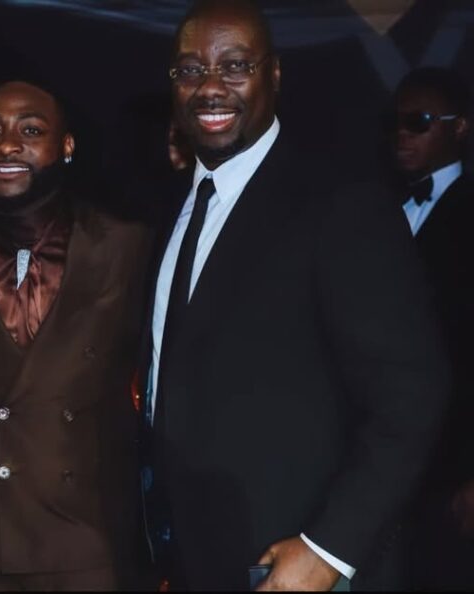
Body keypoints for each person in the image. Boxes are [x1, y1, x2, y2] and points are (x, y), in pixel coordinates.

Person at [138, 1, 451, 590]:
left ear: (274, 74)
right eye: (190, 70)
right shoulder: (171, 205)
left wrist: (329, 549)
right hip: (189, 557)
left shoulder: (342, 200)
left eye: (235, 66)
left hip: (295, 562)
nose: (210, 87)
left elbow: (413, 396)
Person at [0, 80, 153, 590]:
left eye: (30, 130)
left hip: (88, 544)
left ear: (67, 145)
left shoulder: (128, 246)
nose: (6, 145)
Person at [389, 66, 474, 590]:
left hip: (450, 469)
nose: (401, 134)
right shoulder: (378, 209)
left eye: (418, 122)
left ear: (459, 128)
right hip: (387, 465)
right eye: (395, 122)